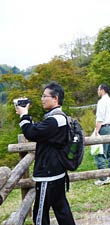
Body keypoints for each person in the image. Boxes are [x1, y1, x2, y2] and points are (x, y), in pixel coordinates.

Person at [15, 82, 76, 225]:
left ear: (55, 98)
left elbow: (31, 133)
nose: (42, 99)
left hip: (48, 176)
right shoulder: (60, 118)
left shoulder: (54, 120)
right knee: (62, 210)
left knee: (40, 214)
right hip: (58, 172)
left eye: (44, 96)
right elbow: (40, 130)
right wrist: (25, 116)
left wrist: (24, 114)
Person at [94, 84, 110, 185]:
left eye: (98, 89)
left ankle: (103, 178)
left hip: (104, 127)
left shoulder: (102, 102)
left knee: (101, 152)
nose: (98, 91)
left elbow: (100, 118)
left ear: (102, 90)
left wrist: (96, 131)